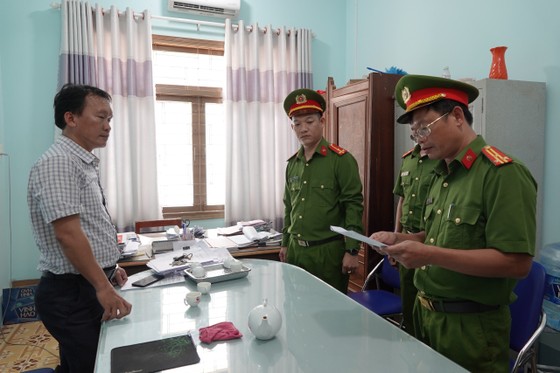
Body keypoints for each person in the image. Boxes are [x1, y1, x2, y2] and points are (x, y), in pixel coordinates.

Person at [371, 75, 536, 372]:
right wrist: (402, 239)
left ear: (457, 116)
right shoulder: (441, 175)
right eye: (414, 133)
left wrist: (430, 255)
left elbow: (516, 263)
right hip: (427, 318)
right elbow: (438, 238)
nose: (420, 139)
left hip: (470, 330)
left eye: (425, 128)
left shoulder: (501, 174)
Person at [28, 84, 132, 373]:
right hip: (71, 293)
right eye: (100, 117)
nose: (107, 126)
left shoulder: (81, 161)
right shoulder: (59, 162)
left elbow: (90, 225)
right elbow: (68, 235)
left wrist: (109, 269)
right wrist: (102, 285)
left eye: (109, 119)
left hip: (83, 284)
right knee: (92, 366)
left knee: (82, 363)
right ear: (71, 118)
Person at [279, 88, 364, 293]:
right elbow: (289, 206)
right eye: (297, 124)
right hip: (296, 251)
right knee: (295, 308)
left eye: (309, 122)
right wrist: (284, 244)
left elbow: (353, 206)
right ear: (292, 128)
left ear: (322, 122)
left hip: (327, 253)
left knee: (329, 314)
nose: (303, 129)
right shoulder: (293, 164)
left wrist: (352, 250)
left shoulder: (341, 160)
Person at [393, 144, 438, 334]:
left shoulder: (440, 158)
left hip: (431, 242)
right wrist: (396, 237)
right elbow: (402, 201)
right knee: (409, 304)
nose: (419, 132)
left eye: (423, 126)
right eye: (414, 130)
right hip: (406, 241)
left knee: (428, 311)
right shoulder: (409, 159)